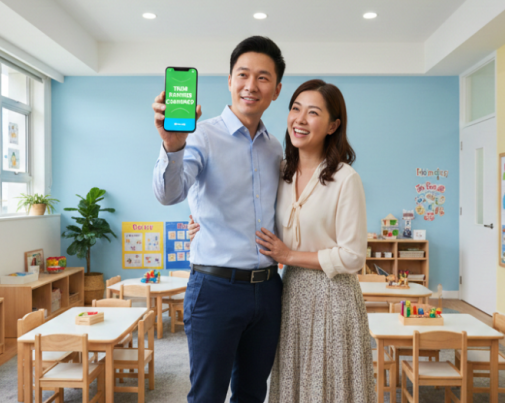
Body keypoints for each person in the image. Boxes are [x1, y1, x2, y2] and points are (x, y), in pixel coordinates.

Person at [190, 79, 374, 402]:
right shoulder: (282, 170)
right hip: (289, 295)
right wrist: (201, 224)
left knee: (327, 387)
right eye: (295, 109)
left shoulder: (346, 179)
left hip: (332, 298)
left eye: (313, 113)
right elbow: (247, 207)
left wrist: (289, 255)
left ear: (333, 125)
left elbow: (353, 255)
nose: (300, 120)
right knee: (293, 385)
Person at [151, 36, 285, 403]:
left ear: (276, 89)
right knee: (207, 395)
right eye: (243, 74)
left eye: (262, 77)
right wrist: (172, 144)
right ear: (229, 80)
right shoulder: (202, 136)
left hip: (269, 288)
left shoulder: (276, 148)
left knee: (253, 393)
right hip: (215, 289)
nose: (251, 85)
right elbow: (169, 194)